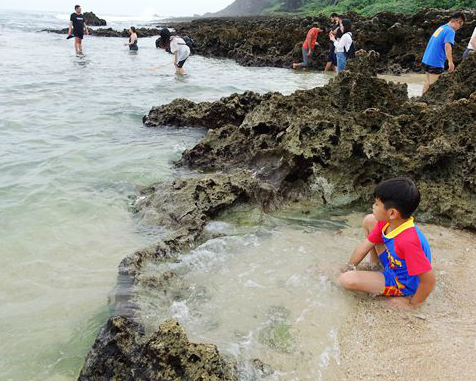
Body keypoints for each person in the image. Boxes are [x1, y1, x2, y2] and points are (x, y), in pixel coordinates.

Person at [339, 178, 435, 310]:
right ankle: (375, 266)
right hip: (392, 263)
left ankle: (401, 292)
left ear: (392, 213)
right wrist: (349, 267)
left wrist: (412, 304)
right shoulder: (387, 223)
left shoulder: (408, 241)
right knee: (369, 220)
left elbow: (428, 281)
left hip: (402, 282)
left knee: (346, 280)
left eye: (377, 204)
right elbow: (364, 246)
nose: (373, 206)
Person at [421, 12, 466, 94]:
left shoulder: (441, 28)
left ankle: (420, 101)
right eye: (461, 25)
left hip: (426, 60)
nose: (459, 27)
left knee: (427, 82)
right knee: (433, 88)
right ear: (457, 21)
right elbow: (447, 45)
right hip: (435, 62)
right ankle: (427, 105)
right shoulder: (451, 31)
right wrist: (450, 62)